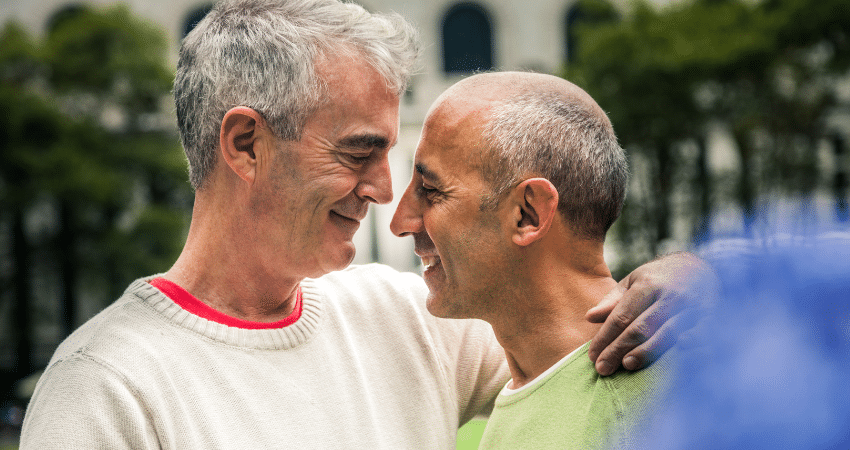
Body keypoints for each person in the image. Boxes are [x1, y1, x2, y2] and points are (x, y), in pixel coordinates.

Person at [21, 1, 708, 448]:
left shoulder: (406, 317)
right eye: (358, 153)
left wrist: (709, 274)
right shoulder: (102, 388)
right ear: (245, 145)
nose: (385, 193)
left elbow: (583, 327)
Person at [390, 72, 707, 448]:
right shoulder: (536, 386)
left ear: (529, 214)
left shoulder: (655, 407)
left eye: (431, 190)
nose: (400, 222)